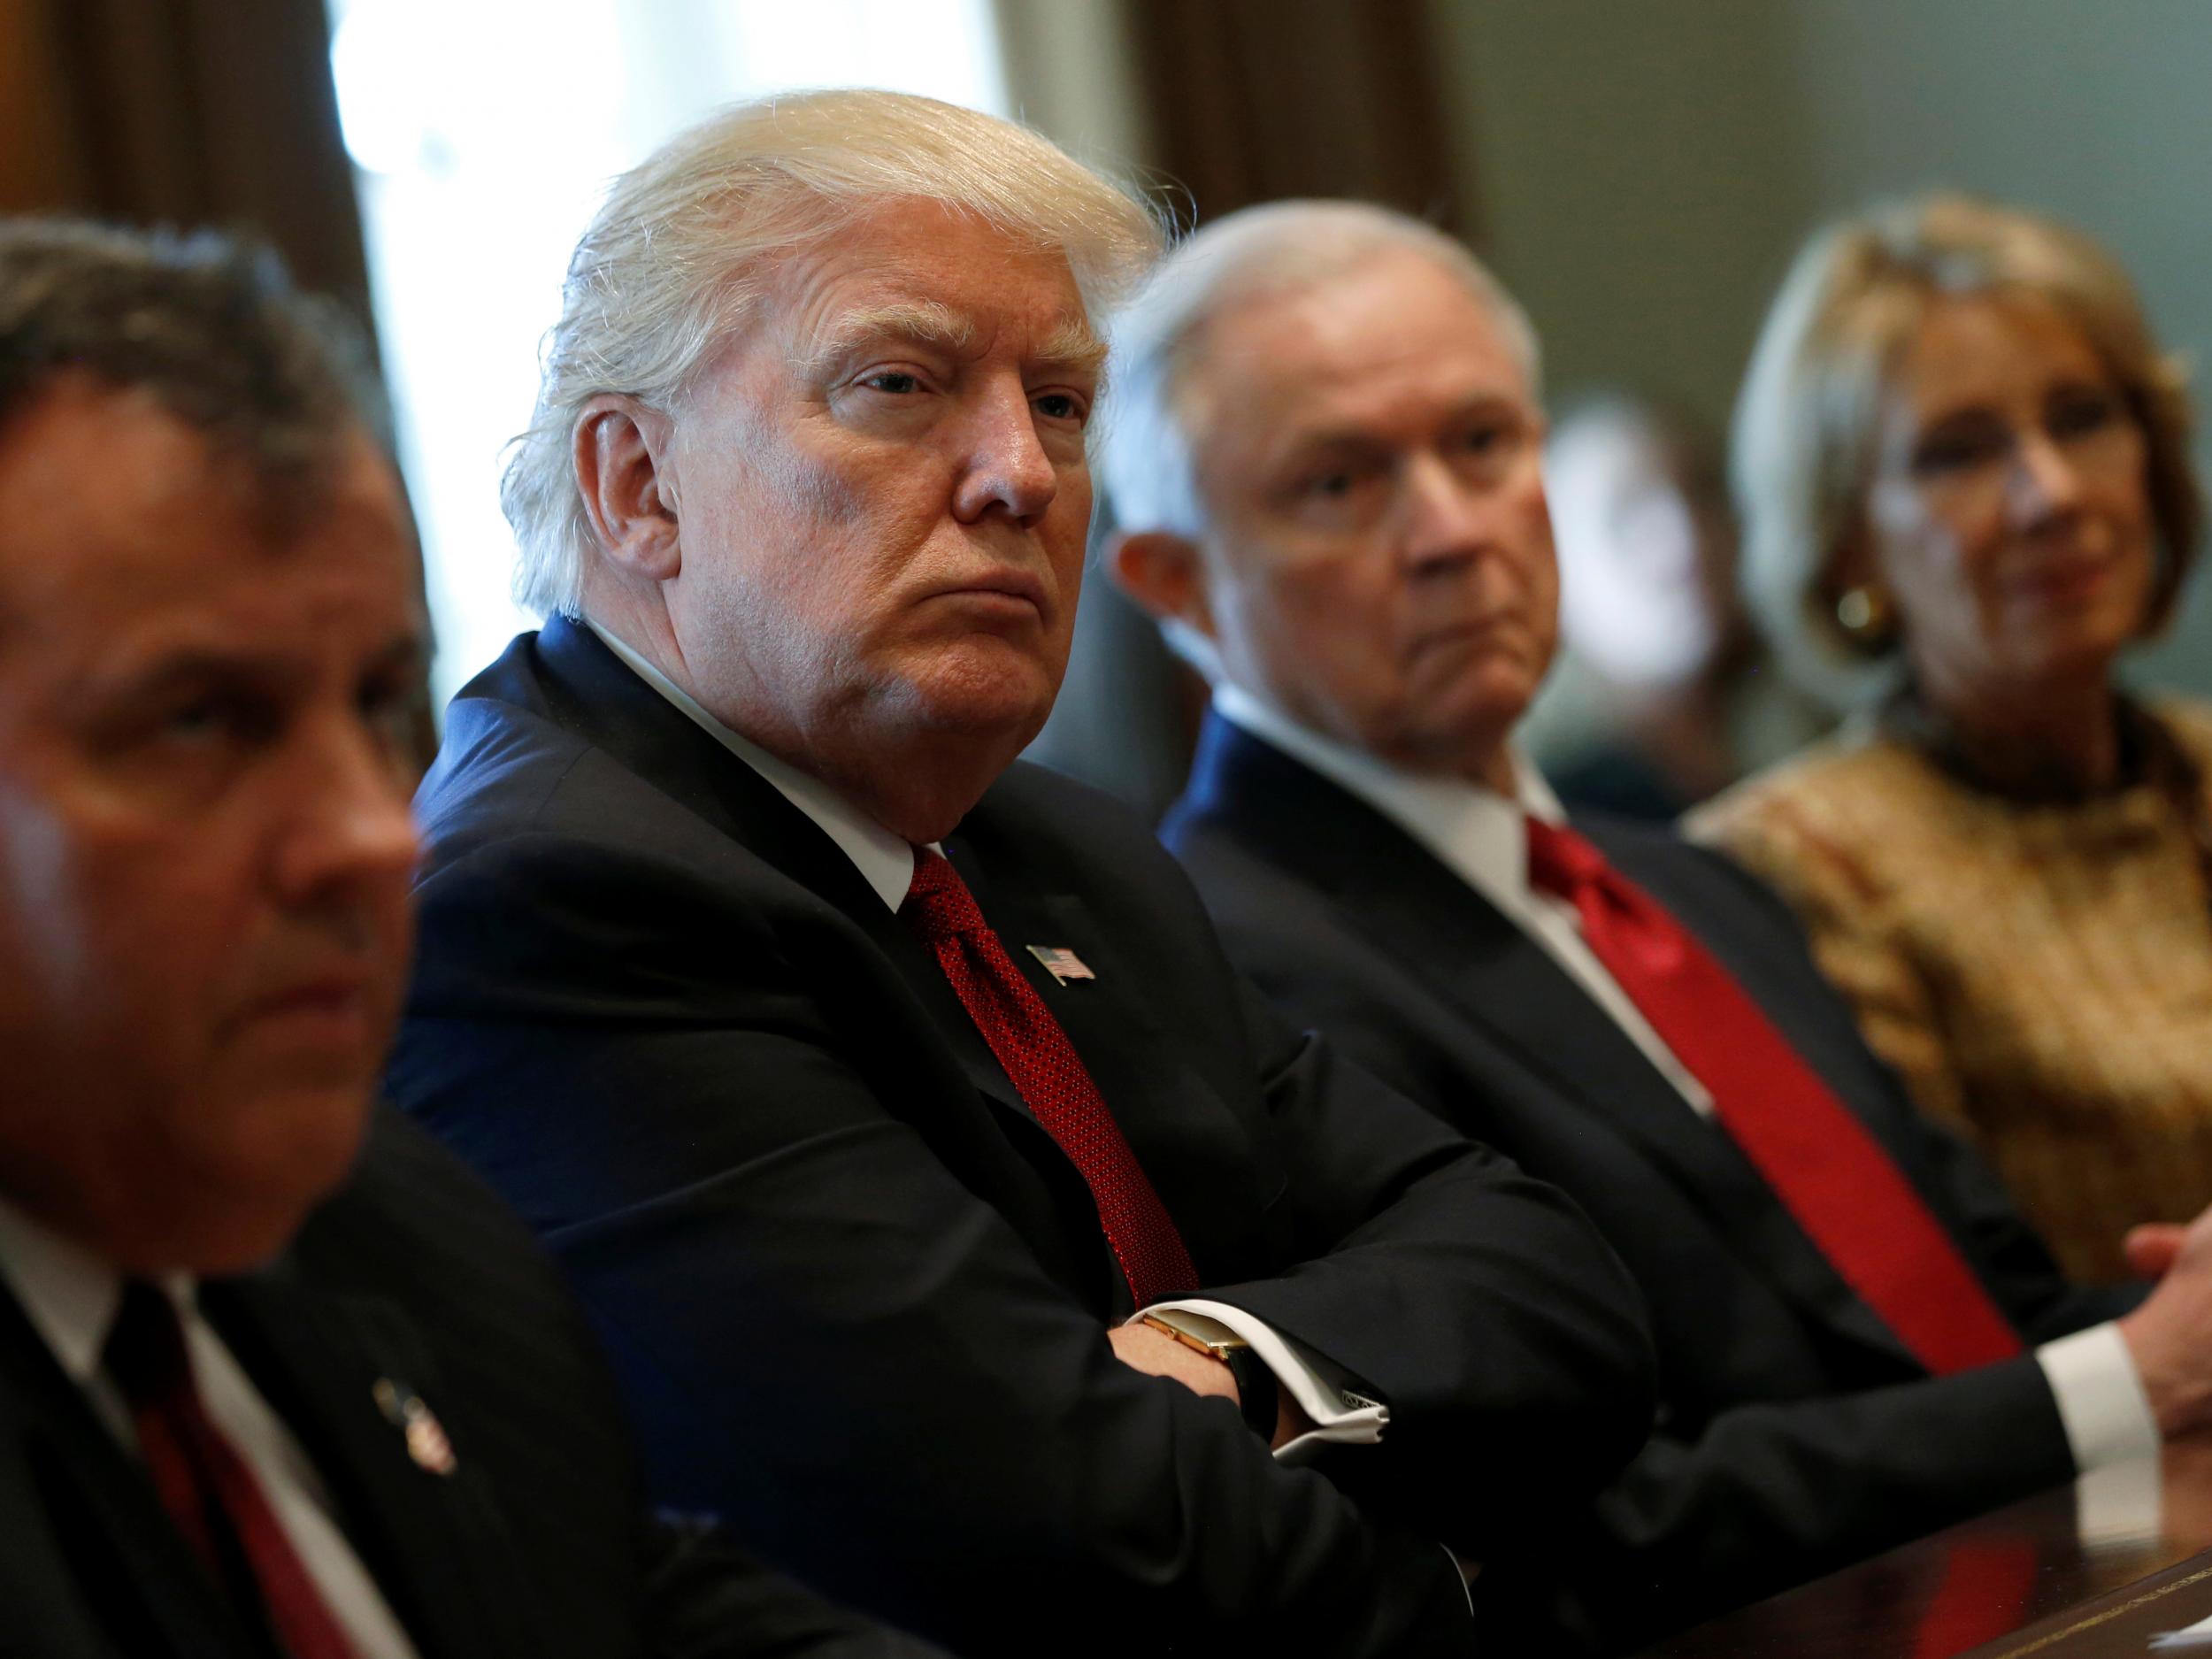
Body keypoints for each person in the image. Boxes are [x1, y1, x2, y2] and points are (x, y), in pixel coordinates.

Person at [387, 90, 1657, 1659]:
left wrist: (1222, 1356)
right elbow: (1080, 1555)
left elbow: (1560, 1284)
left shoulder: (1054, 849)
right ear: (639, 487)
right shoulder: (551, 911)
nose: (1022, 477)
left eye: (1060, 403)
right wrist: (1488, 1561)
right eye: (900, 385)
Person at [1102, 198, 2212, 1653]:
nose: (1450, 531)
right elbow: (1572, 1519)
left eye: (1485, 444)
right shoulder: (1227, 961)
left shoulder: (1690, 884)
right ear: (1177, 584)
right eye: (1337, 483)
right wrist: (2129, 1378)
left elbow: (1980, 1313)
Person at [0, 218, 940, 1659]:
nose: (381, 836)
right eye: (198, 721)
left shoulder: (387, 1222)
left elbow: (640, 1610)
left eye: (379, 704)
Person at [1689, 195, 2212, 1284]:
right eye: (1956, 453)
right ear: (1845, 548)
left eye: (2080, 419)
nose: (2050, 495)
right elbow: (1944, 1308)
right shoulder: (1787, 868)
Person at [1524, 391, 1824, 819]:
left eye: (1702, 493)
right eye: (1627, 514)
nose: (1687, 542)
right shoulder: (1565, 820)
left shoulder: (1824, 740)